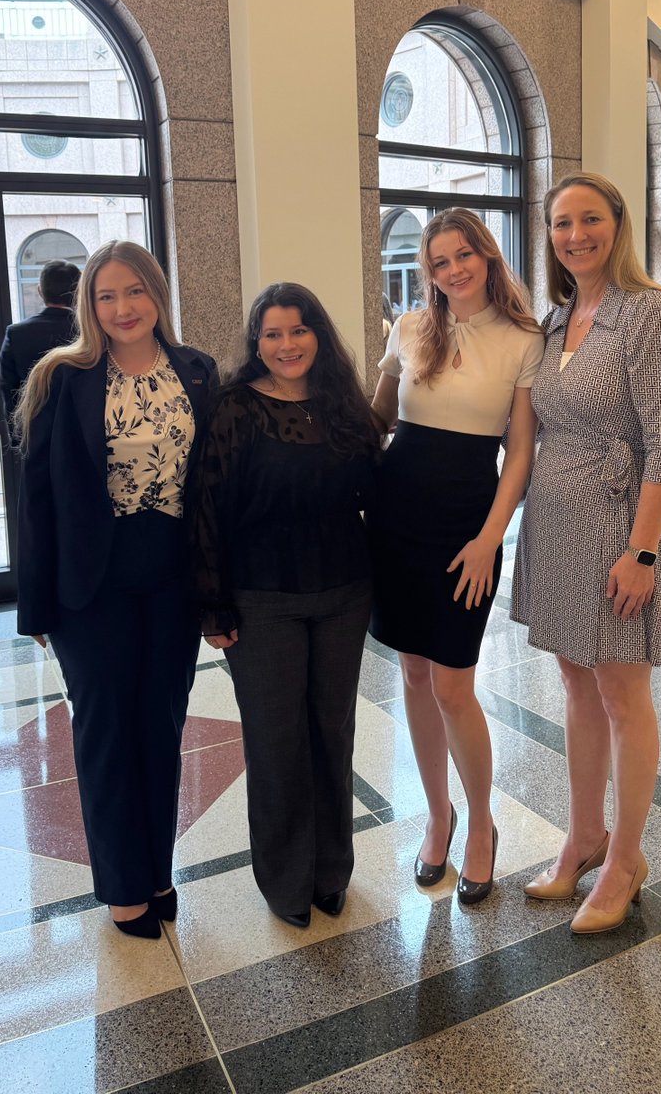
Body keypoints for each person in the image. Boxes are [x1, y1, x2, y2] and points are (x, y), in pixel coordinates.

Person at [14, 240, 218, 940]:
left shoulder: (196, 371)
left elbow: (213, 489)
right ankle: (123, 888)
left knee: (160, 728)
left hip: (170, 577)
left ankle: (157, 870)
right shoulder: (62, 376)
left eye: (135, 291)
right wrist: (35, 603)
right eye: (107, 295)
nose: (123, 307)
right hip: (88, 584)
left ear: (157, 294)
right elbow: (36, 499)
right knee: (105, 732)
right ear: (88, 305)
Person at [511, 172, 661, 934]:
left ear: (617, 226)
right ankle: (583, 836)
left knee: (622, 693)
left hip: (619, 531)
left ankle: (624, 859)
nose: (574, 234)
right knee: (574, 684)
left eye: (589, 219)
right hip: (554, 530)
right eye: (560, 223)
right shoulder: (556, 322)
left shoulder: (647, 314)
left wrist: (642, 553)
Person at [369, 209, 543, 906]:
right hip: (396, 519)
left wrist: (488, 538)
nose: (451, 271)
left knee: (453, 685)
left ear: (485, 255)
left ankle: (480, 823)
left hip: (465, 526)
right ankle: (436, 818)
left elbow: (519, 452)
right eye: (438, 262)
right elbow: (374, 420)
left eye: (462, 255)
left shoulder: (522, 339)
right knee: (413, 674)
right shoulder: (410, 328)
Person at [192, 283, 379, 928]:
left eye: (298, 330)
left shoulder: (343, 407)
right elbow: (207, 508)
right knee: (276, 744)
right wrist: (213, 606)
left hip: (343, 598)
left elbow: (374, 500)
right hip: (261, 602)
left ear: (319, 336)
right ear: (256, 343)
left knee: (333, 735)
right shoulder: (234, 409)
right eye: (271, 333)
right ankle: (285, 880)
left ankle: (332, 871)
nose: (286, 344)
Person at [0, 260, 81, 436]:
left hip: (36, 432)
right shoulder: (90, 331)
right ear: (79, 292)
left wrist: (18, 437)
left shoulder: (16, 333)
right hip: (83, 431)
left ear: (40, 291)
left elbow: (9, 390)